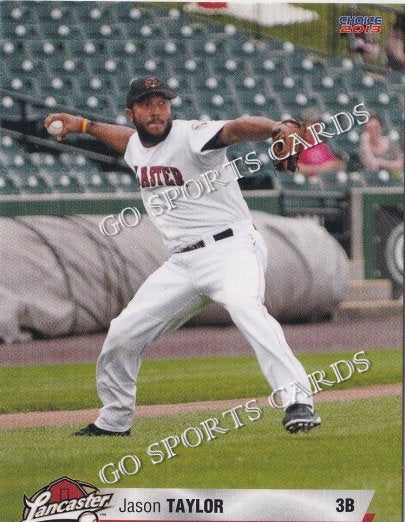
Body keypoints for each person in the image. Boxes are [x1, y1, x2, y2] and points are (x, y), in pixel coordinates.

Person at [45, 76, 321, 436]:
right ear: (132, 113)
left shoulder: (191, 135)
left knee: (245, 307)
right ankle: (113, 421)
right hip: (182, 263)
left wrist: (276, 128)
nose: (157, 110)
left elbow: (236, 129)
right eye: (147, 104)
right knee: (123, 333)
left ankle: (298, 400)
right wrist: (82, 125)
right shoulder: (136, 146)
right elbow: (123, 140)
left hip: (232, 249)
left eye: (162, 102)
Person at [298, 108, 346, 177]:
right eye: (313, 123)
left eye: (319, 123)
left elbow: (336, 164)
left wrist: (338, 165)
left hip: (327, 181)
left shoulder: (322, 145)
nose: (317, 126)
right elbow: (291, 168)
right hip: (309, 184)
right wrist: (321, 169)